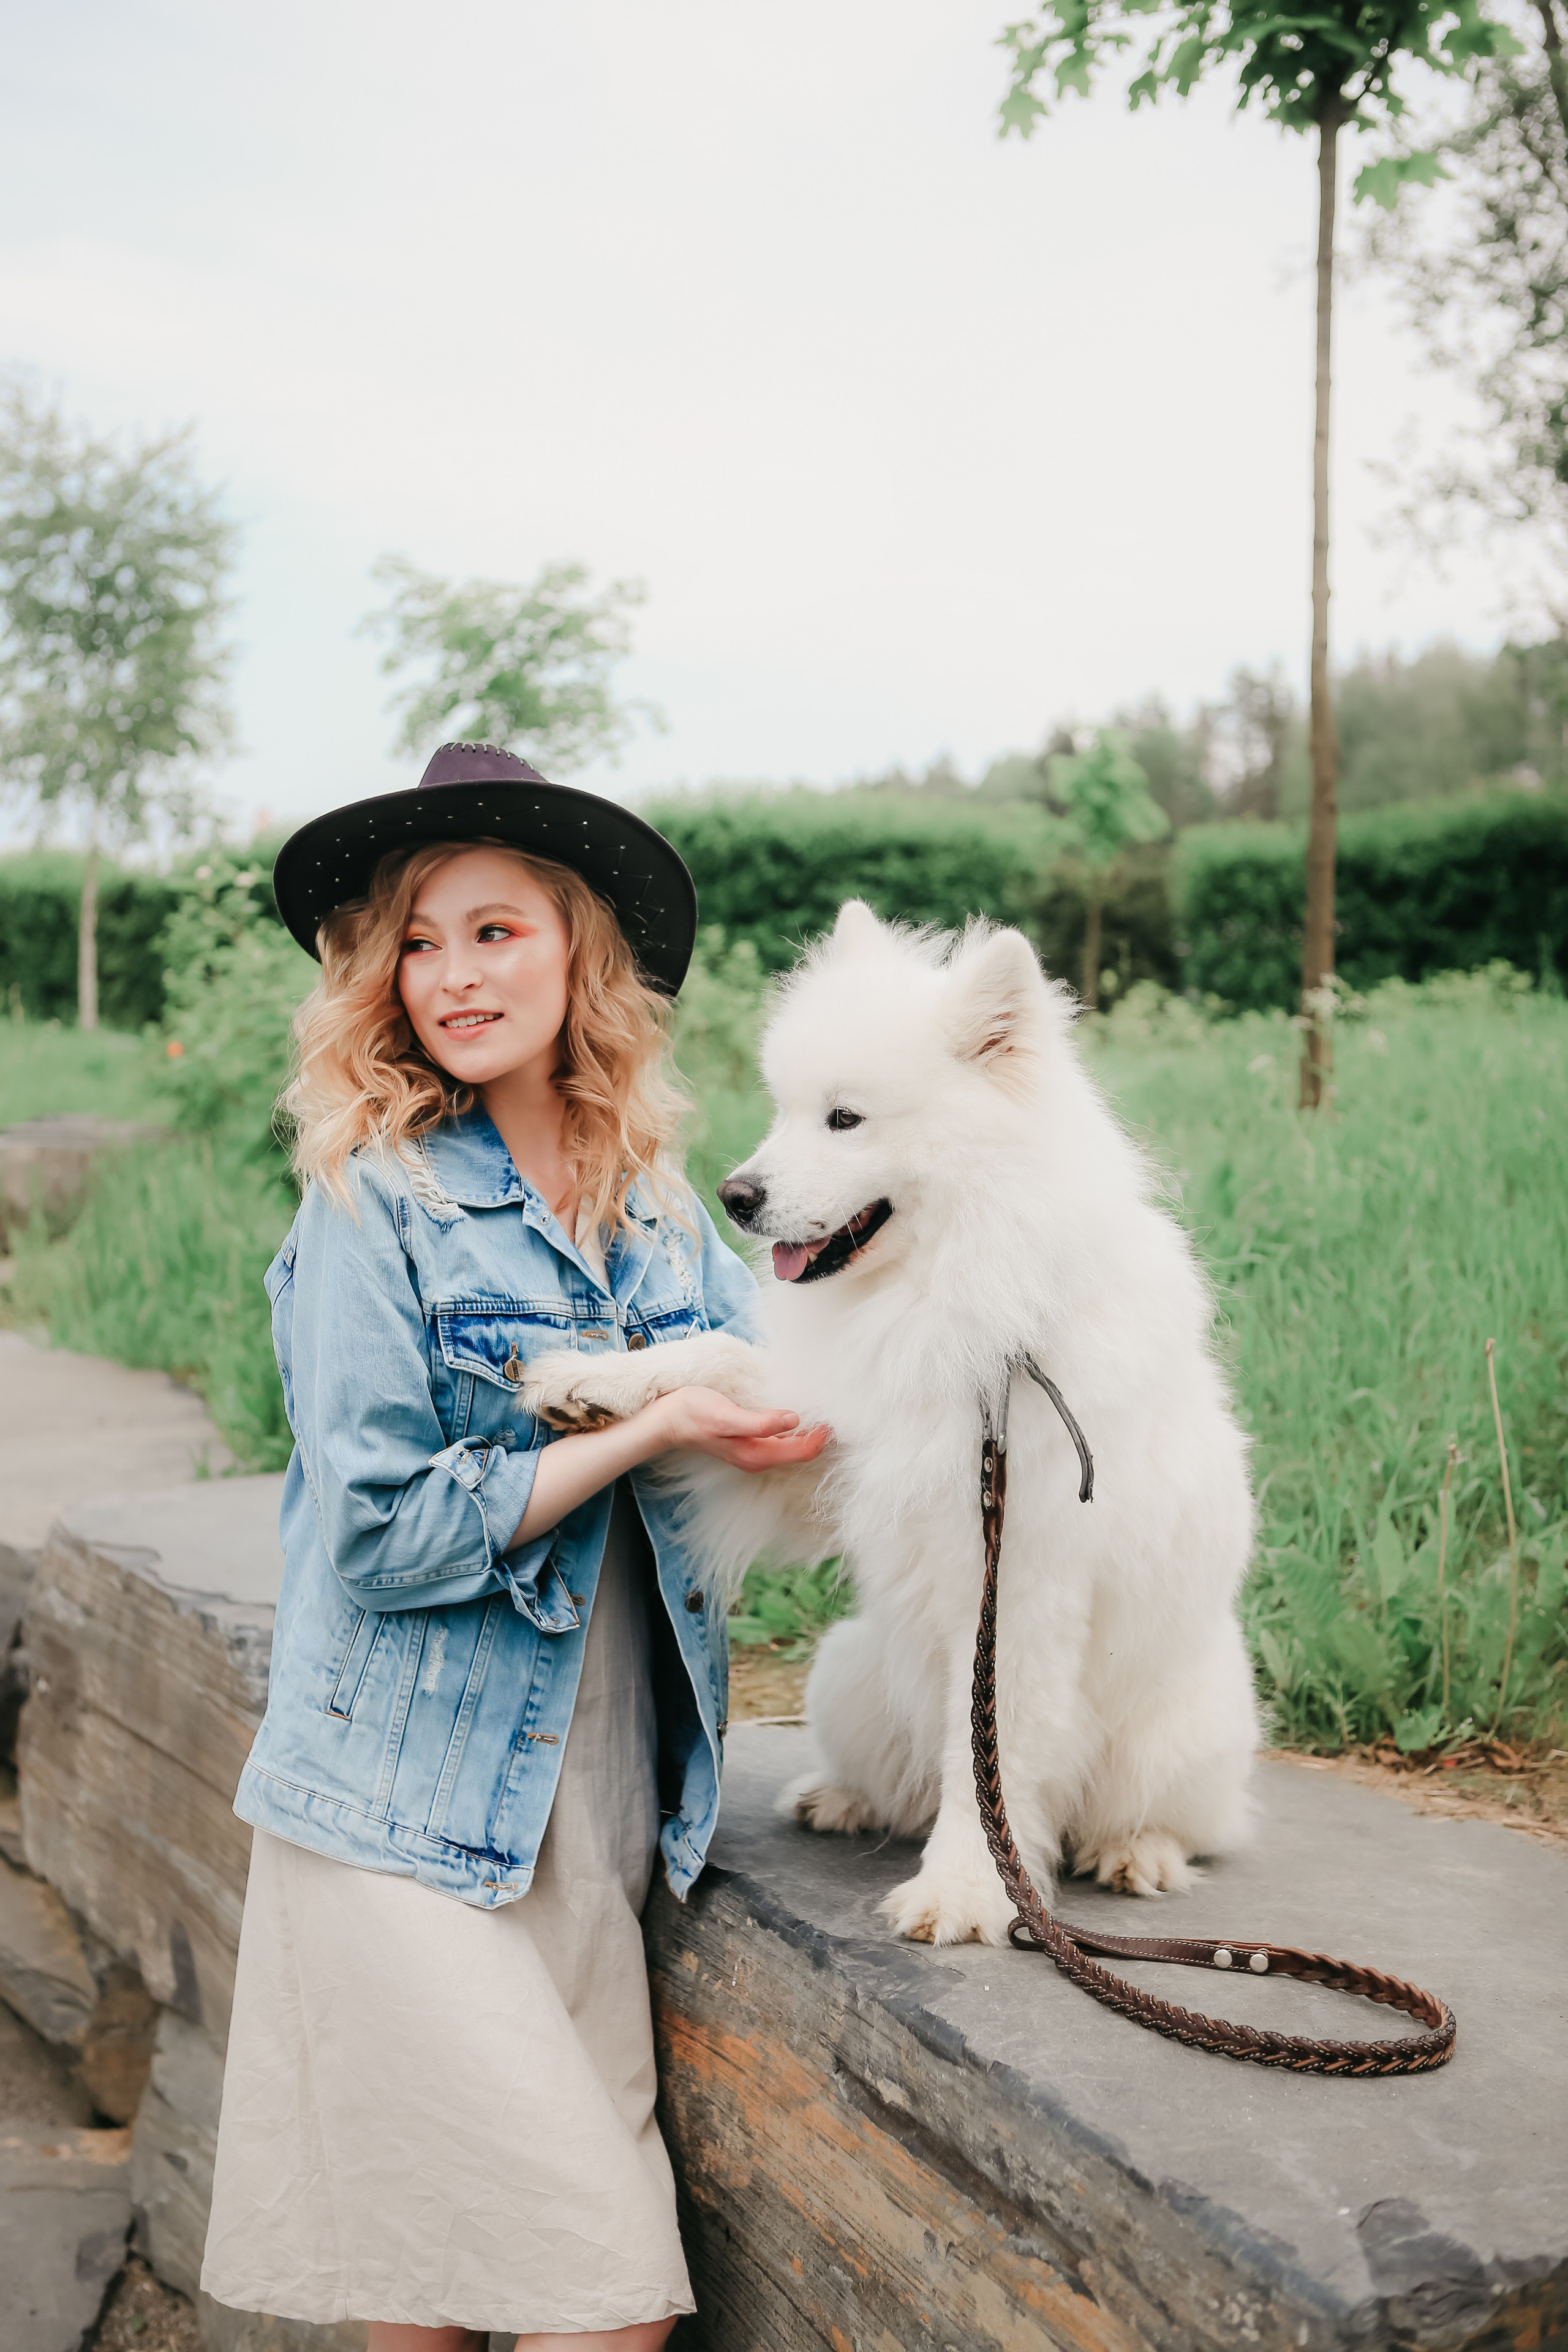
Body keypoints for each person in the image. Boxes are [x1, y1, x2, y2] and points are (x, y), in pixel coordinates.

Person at [200, 742, 826, 2352]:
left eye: (495, 931)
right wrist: (651, 1423)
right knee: (595, 2294)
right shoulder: (374, 1200)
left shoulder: (659, 1209)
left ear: (577, 948)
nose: (455, 976)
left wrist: (808, 1413)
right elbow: (389, 1532)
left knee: (438, 2296)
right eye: (419, 939)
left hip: (590, 1833)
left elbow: (786, 1401)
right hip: (399, 1830)